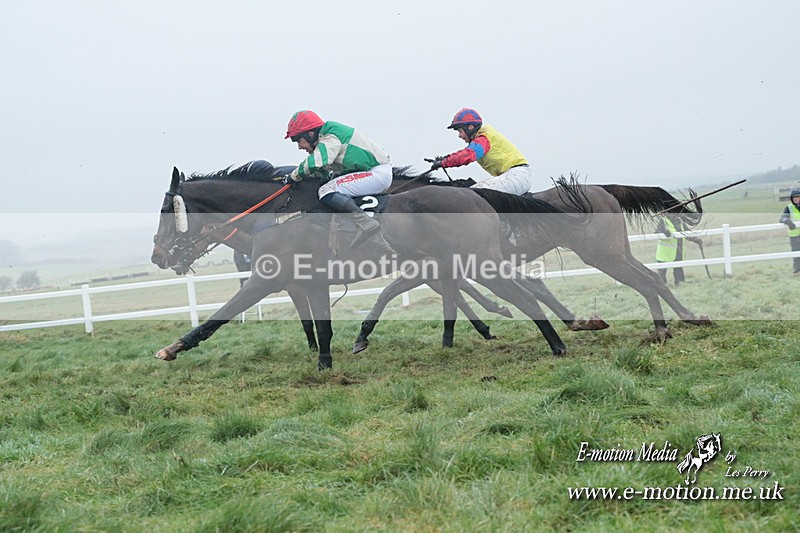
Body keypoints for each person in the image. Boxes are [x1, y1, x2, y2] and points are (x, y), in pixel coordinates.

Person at [283, 110, 391, 248]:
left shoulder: (330, 135)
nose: (299, 146)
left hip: (376, 174)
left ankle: (366, 223)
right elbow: (322, 170)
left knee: (326, 190)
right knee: (329, 185)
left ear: (310, 134)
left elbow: (317, 161)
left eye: (297, 140)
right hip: (373, 172)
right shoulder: (328, 139)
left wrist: (293, 176)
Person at [428, 108, 533, 195]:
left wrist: (445, 162)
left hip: (516, 176)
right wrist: (445, 159)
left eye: (460, 131)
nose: (460, 135)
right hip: (510, 176)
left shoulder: (484, 138)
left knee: (474, 194)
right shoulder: (480, 138)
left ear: (470, 127)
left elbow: (468, 155)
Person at [655, 214, 686, 286]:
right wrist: (664, 232)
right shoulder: (664, 221)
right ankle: (661, 287)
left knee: (678, 270)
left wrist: (696, 240)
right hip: (665, 253)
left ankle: (680, 285)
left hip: (678, 252)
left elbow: (687, 233)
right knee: (662, 273)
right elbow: (657, 232)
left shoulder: (680, 221)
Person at [779, 187, 800, 274]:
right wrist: (787, 221)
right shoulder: (789, 207)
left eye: (797, 196)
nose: (795, 198)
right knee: (796, 255)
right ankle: (797, 272)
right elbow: (782, 218)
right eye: (793, 197)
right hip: (794, 235)